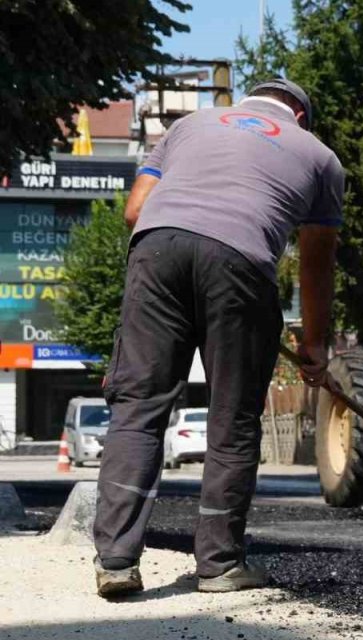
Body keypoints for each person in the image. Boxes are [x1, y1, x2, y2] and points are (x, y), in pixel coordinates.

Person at [92, 79, 343, 597]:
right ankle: (219, 565)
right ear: (299, 116)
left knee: (138, 405)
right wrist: (315, 346)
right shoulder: (319, 156)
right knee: (233, 417)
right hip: (242, 262)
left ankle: (116, 560)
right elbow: (317, 261)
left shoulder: (189, 125)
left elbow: (135, 210)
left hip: (156, 250)